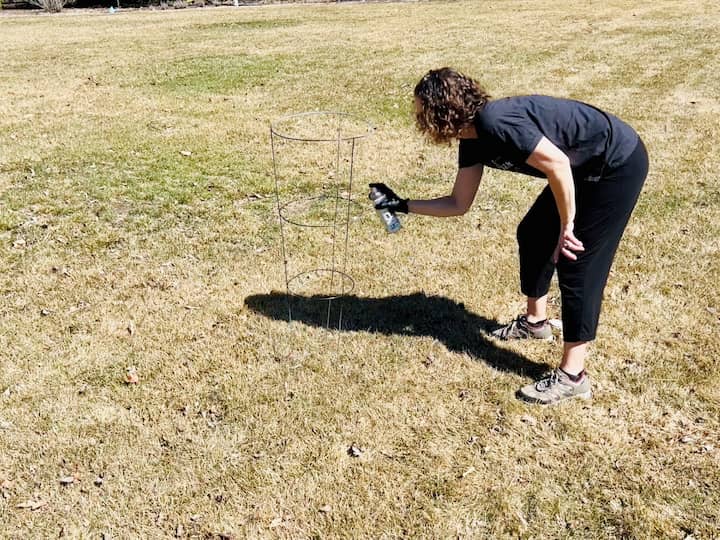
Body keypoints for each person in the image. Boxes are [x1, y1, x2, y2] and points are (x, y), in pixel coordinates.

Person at [370, 67, 649, 405]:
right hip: (582, 167)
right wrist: (401, 205)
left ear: (441, 111)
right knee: (532, 234)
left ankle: (573, 376)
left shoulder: (496, 121)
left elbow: (558, 165)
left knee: (577, 260)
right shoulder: (472, 138)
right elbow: (459, 203)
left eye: (421, 111)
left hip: (614, 163)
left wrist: (568, 224)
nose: (418, 119)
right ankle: (535, 323)